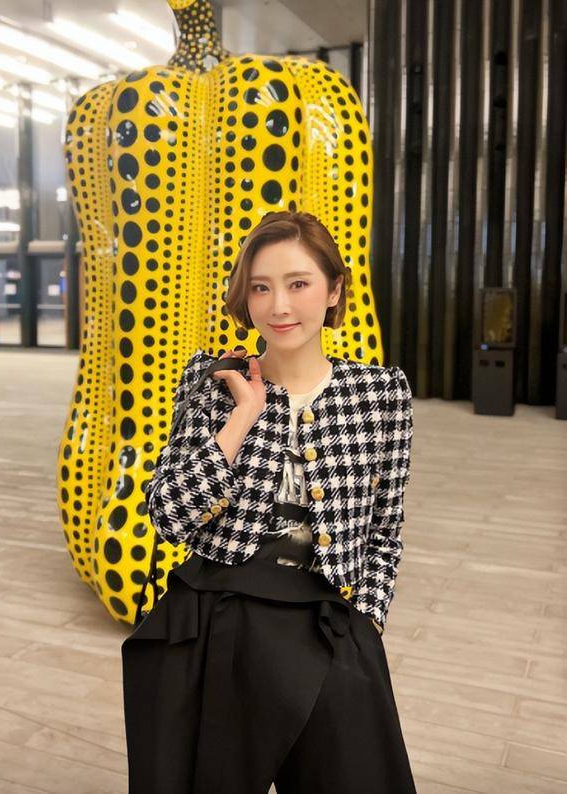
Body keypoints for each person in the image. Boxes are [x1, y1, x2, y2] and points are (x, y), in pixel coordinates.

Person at [122, 210, 417, 793]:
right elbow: (169, 515)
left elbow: (385, 526)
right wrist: (241, 418)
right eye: (260, 287)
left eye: (298, 283)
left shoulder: (381, 394)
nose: (279, 306)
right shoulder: (213, 382)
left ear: (334, 290)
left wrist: (370, 617)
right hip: (219, 623)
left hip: (329, 622)